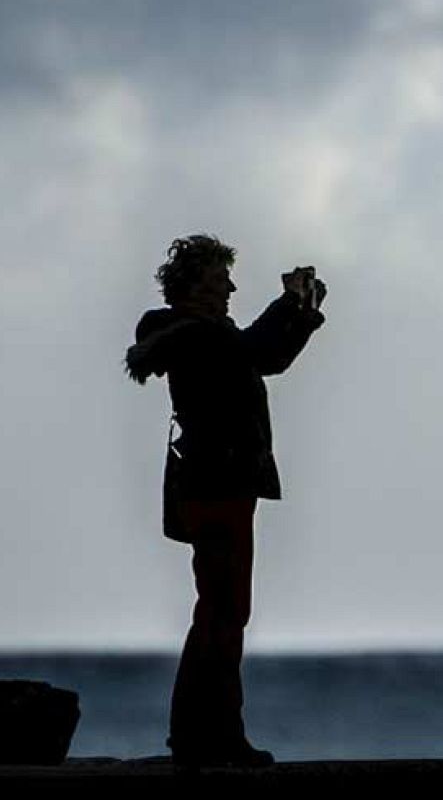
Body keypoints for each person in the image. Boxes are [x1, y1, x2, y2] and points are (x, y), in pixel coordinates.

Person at [124, 234, 327, 768]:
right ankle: (211, 737)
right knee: (223, 610)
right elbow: (251, 351)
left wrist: (301, 313)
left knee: (223, 609)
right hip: (216, 484)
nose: (231, 288)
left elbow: (268, 357)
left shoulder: (204, 335)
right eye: (220, 279)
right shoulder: (189, 332)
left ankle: (205, 735)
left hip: (222, 484)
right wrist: (288, 305)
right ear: (194, 286)